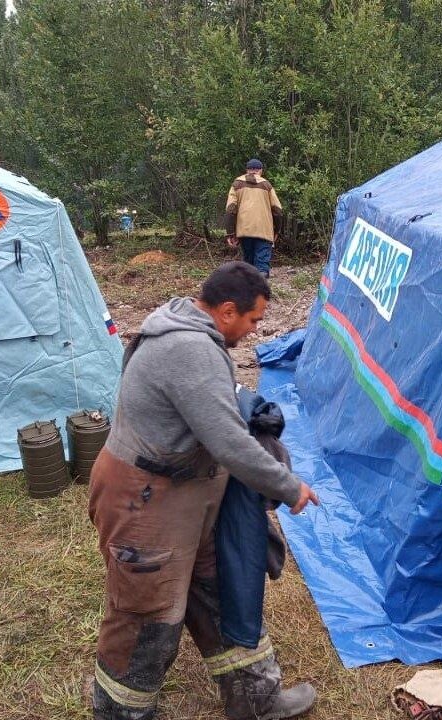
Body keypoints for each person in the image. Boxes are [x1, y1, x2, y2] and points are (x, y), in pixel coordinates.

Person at [88, 261, 319, 720]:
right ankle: (121, 713)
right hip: (146, 499)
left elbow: (217, 405)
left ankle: (256, 699)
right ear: (228, 310)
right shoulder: (187, 348)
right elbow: (228, 440)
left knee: (221, 587)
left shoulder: (189, 327)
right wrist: (288, 487)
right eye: (253, 320)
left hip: (188, 495)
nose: (254, 331)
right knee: (147, 612)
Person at [225, 159, 282, 277]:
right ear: (260, 170)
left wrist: (230, 233)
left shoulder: (236, 184)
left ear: (247, 170)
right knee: (262, 266)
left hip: (244, 230)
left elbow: (230, 210)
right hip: (264, 230)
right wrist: (277, 230)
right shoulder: (267, 185)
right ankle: (260, 292)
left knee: (248, 264)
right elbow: (277, 210)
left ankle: (248, 292)